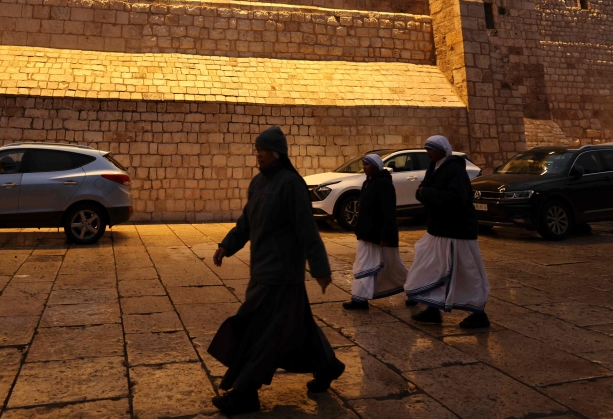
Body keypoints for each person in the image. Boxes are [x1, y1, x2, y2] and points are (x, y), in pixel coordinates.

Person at [208, 126, 345, 416]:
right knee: (299, 328)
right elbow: (246, 221)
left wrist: (319, 267)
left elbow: (307, 229)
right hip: (262, 271)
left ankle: (245, 393)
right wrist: (226, 245)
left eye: (262, 150)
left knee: (262, 334)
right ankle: (328, 365)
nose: (257, 155)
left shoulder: (291, 184)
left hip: (281, 276)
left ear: (276, 153)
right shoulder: (259, 183)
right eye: (256, 149)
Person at [404, 135, 491, 327]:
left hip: (457, 231)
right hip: (439, 230)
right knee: (431, 268)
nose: (428, 153)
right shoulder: (434, 167)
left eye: (431, 149)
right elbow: (424, 189)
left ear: (442, 150)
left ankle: (478, 313)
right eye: (427, 149)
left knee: (466, 273)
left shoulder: (454, 170)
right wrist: (423, 193)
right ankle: (432, 309)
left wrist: (426, 193)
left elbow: (456, 199)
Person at [342, 154, 408, 310]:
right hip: (367, 234)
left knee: (389, 266)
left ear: (375, 166)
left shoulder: (384, 184)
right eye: (363, 164)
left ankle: (415, 289)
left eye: (367, 165)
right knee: (371, 265)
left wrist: (386, 235)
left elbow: (388, 212)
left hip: (378, 235)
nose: (364, 168)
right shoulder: (368, 183)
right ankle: (360, 298)